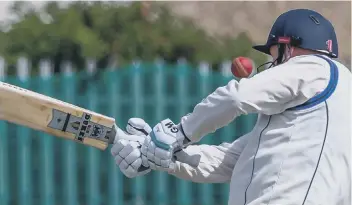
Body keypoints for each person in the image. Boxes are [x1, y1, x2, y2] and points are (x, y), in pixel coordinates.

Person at [110, 9, 351, 205]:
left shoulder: (315, 68)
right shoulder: (312, 120)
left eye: (274, 54)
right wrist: (162, 154)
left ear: (290, 47)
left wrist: (179, 133)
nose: (272, 64)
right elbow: (226, 161)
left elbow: (237, 96)